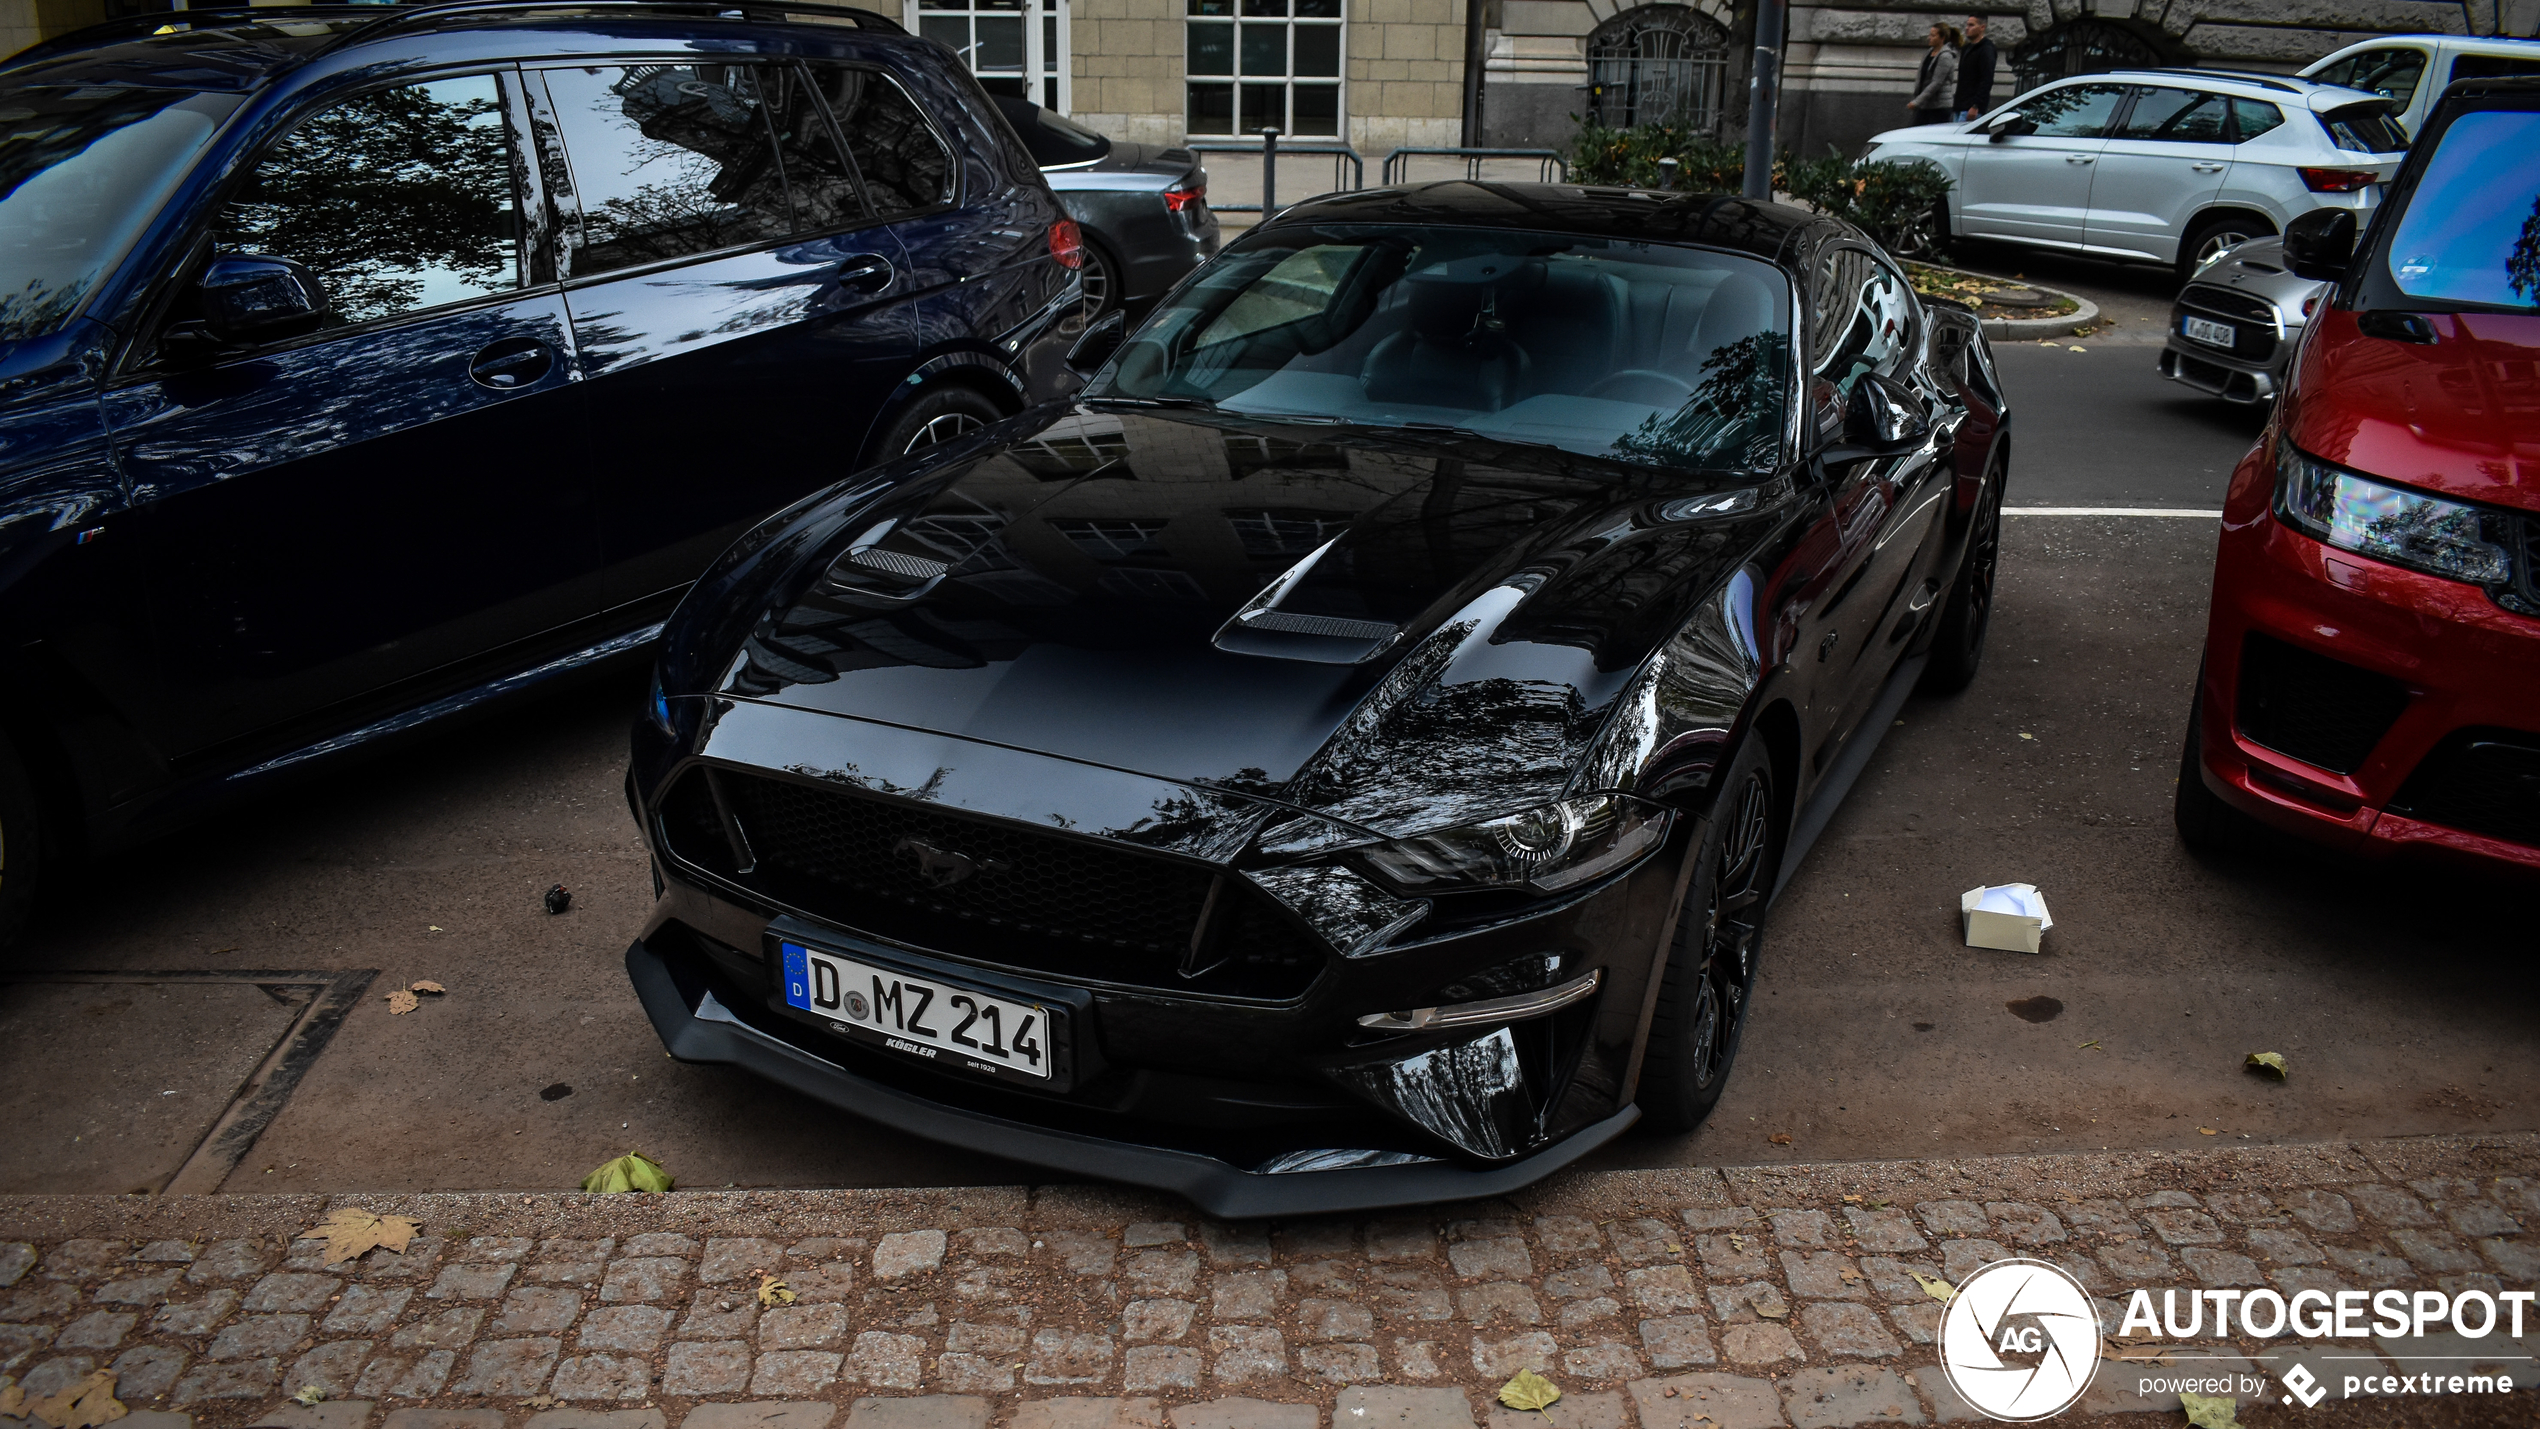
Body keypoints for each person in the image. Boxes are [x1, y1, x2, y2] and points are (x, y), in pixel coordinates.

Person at [1909, 24, 1960, 125]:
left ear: (1942, 38)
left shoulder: (1945, 56)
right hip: (1926, 105)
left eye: (1933, 35)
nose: (1929, 38)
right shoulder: (1929, 53)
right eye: (1930, 35)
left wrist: (1917, 101)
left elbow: (1936, 82)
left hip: (1939, 107)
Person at [1955, 14, 1997, 121]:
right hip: (1960, 105)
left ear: (1982, 27)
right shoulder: (1967, 48)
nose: (1967, 28)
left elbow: (1987, 79)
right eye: (1967, 25)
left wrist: (1976, 105)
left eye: (1971, 25)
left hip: (1971, 108)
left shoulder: (1986, 49)